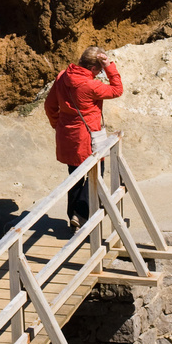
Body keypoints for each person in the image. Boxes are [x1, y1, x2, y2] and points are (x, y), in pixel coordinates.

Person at [43, 45, 122, 230]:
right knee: (96, 173)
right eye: (99, 70)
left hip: (67, 136)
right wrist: (110, 66)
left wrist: (57, 124)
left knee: (75, 176)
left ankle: (74, 218)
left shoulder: (62, 76)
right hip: (88, 137)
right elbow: (117, 90)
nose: (99, 73)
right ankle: (81, 214)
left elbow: (49, 105)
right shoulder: (91, 85)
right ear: (93, 68)